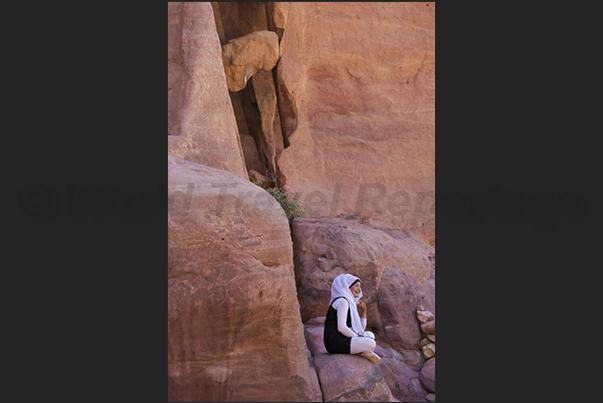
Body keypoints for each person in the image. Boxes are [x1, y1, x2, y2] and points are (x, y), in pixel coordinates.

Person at [323, 273, 381, 363]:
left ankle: (362, 351)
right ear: (346, 287)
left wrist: (364, 311)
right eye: (356, 286)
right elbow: (341, 328)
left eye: (360, 286)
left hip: (344, 339)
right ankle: (363, 351)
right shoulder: (342, 301)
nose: (359, 289)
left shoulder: (350, 303)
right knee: (370, 343)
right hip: (335, 342)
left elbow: (361, 330)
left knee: (369, 335)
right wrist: (359, 338)